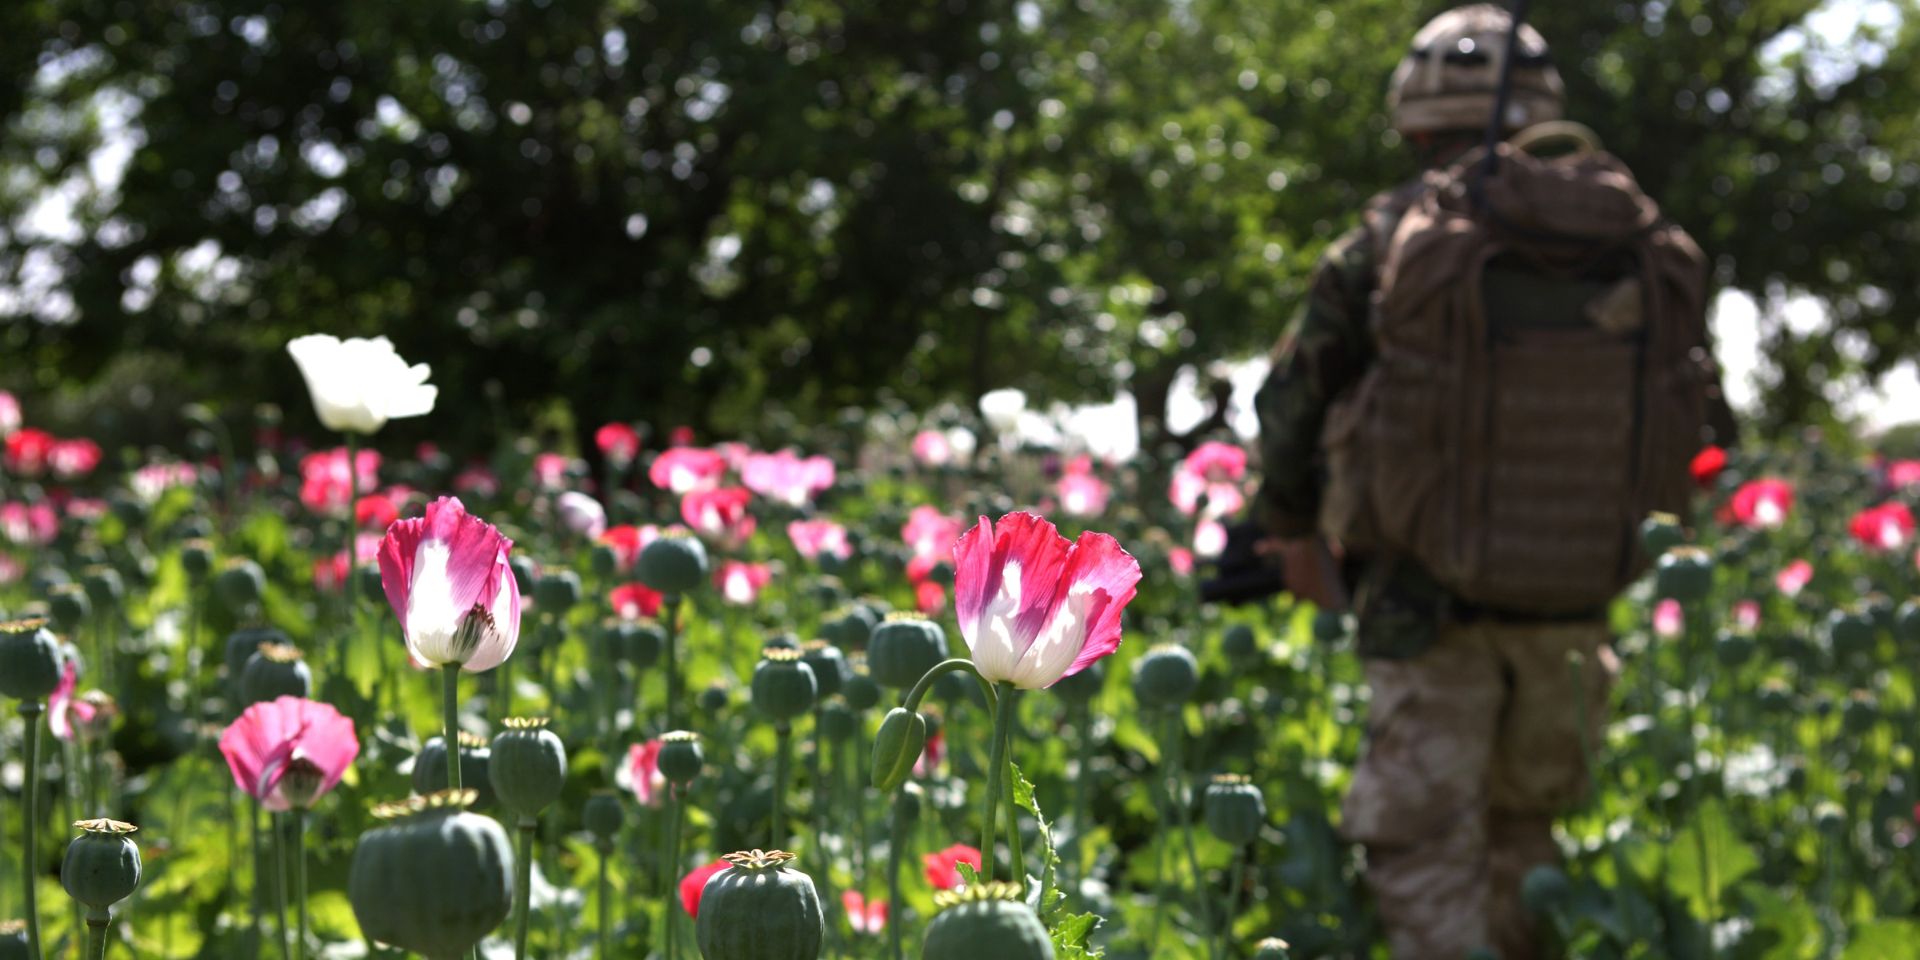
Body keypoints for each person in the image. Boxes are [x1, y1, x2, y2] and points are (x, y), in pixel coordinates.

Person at [1253, 6, 1729, 958]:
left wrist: (1293, 529)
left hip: (1424, 603)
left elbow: (1295, 395)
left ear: (1415, 118)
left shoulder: (1392, 233)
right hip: (1577, 601)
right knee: (1527, 839)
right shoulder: (1632, 235)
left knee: (1425, 845)